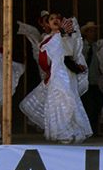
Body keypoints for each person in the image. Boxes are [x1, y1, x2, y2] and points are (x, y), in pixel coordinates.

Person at [22, 13, 91, 143]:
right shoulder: (48, 39)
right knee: (60, 100)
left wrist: (76, 66)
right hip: (57, 75)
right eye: (51, 19)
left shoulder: (67, 37)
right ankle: (62, 133)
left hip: (68, 74)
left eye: (57, 19)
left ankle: (73, 131)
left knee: (70, 100)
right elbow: (44, 60)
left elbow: (72, 53)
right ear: (47, 24)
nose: (55, 20)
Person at [81, 21, 103, 137]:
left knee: (98, 103)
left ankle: (95, 129)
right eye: (90, 31)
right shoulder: (82, 46)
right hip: (85, 81)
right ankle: (87, 130)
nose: (93, 33)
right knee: (89, 106)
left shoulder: (96, 47)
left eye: (94, 31)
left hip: (94, 80)